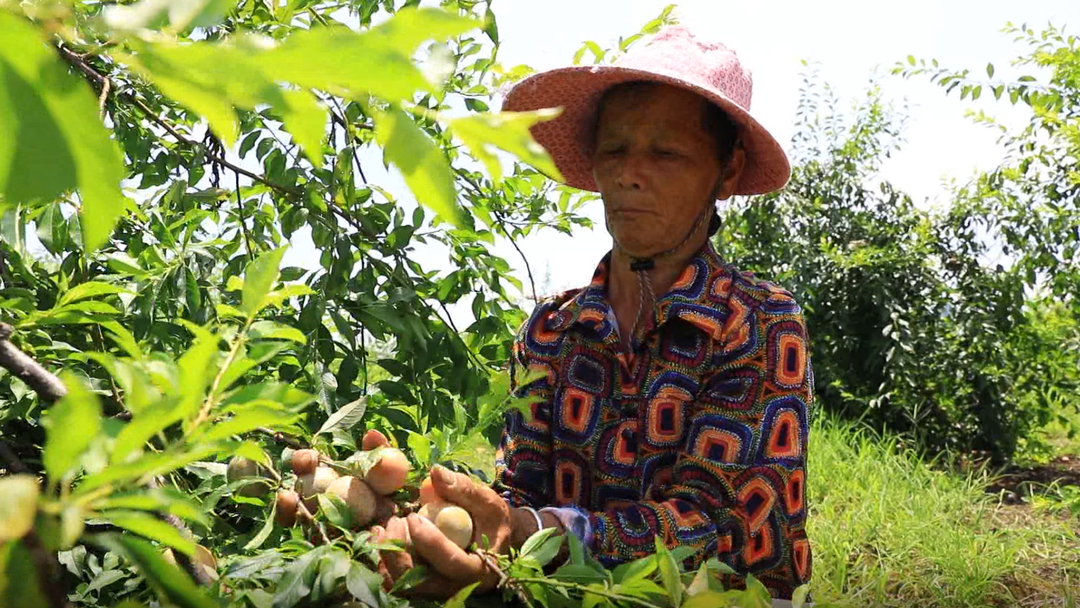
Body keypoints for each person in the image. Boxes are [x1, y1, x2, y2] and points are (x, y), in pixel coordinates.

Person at [333, 25, 813, 606]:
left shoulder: (756, 324)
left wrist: (540, 534)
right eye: (614, 149)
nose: (629, 172)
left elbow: (717, 528)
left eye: (665, 152)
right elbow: (517, 492)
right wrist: (434, 503)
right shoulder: (551, 331)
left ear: (728, 172)